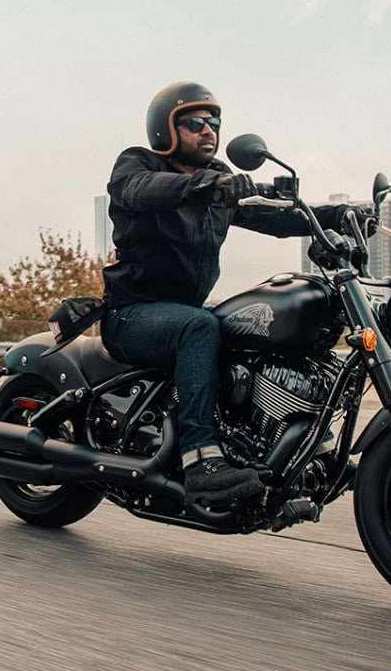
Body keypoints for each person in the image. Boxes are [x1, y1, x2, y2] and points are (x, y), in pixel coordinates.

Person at [100, 81, 345, 509]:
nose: (208, 130)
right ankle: (201, 462)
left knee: (254, 328)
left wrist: (340, 214)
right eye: (195, 123)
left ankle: (311, 449)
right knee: (201, 324)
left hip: (181, 315)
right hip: (131, 315)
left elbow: (278, 220)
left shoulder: (220, 185)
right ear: (166, 129)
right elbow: (138, 190)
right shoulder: (138, 163)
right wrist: (206, 187)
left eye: (214, 123)